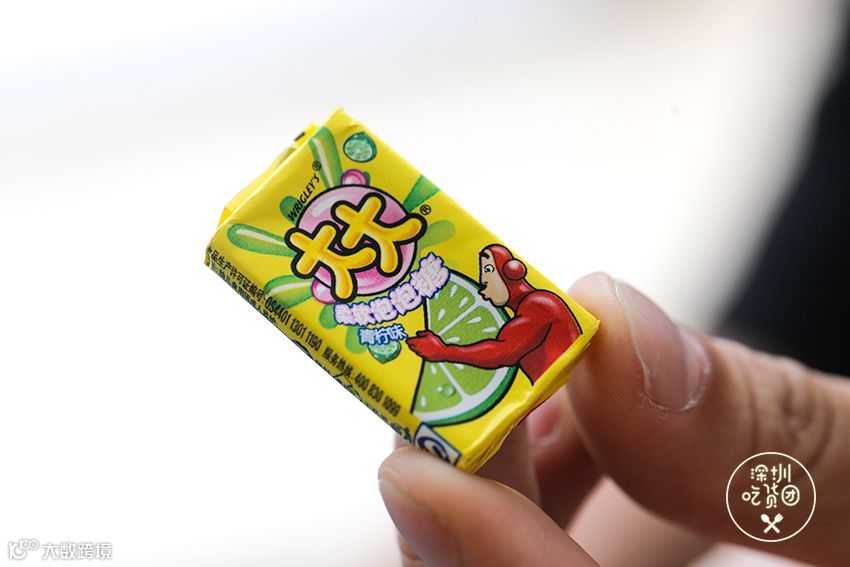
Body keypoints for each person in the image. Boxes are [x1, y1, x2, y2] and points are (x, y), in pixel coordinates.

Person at [407, 245, 582, 382]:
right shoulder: (529, 307)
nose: (483, 292)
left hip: (574, 387)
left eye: (486, 283)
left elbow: (505, 351)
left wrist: (444, 351)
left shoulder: (539, 303)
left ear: (510, 271)